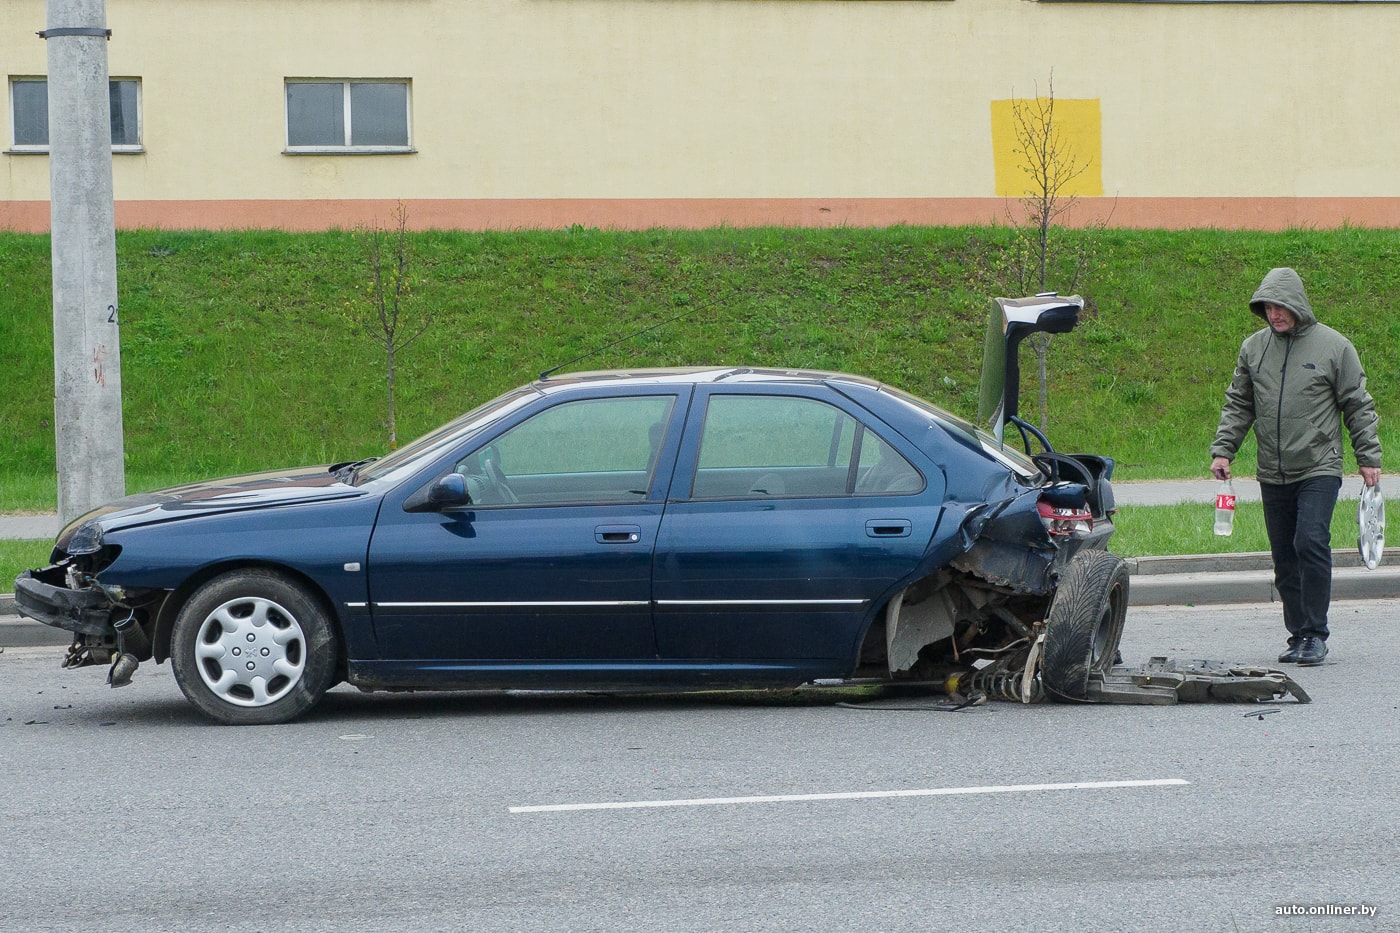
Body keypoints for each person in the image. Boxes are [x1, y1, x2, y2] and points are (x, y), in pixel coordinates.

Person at [1210, 267, 1382, 666]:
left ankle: (1316, 634)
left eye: (1281, 306)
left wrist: (1368, 457)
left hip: (1319, 466)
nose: (1275, 314)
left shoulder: (1334, 347)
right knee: (1284, 556)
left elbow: (1358, 404)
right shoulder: (1254, 349)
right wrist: (1224, 450)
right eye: (1268, 308)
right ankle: (1299, 633)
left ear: (1297, 305)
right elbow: (1239, 403)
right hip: (1272, 469)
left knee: (1309, 542)